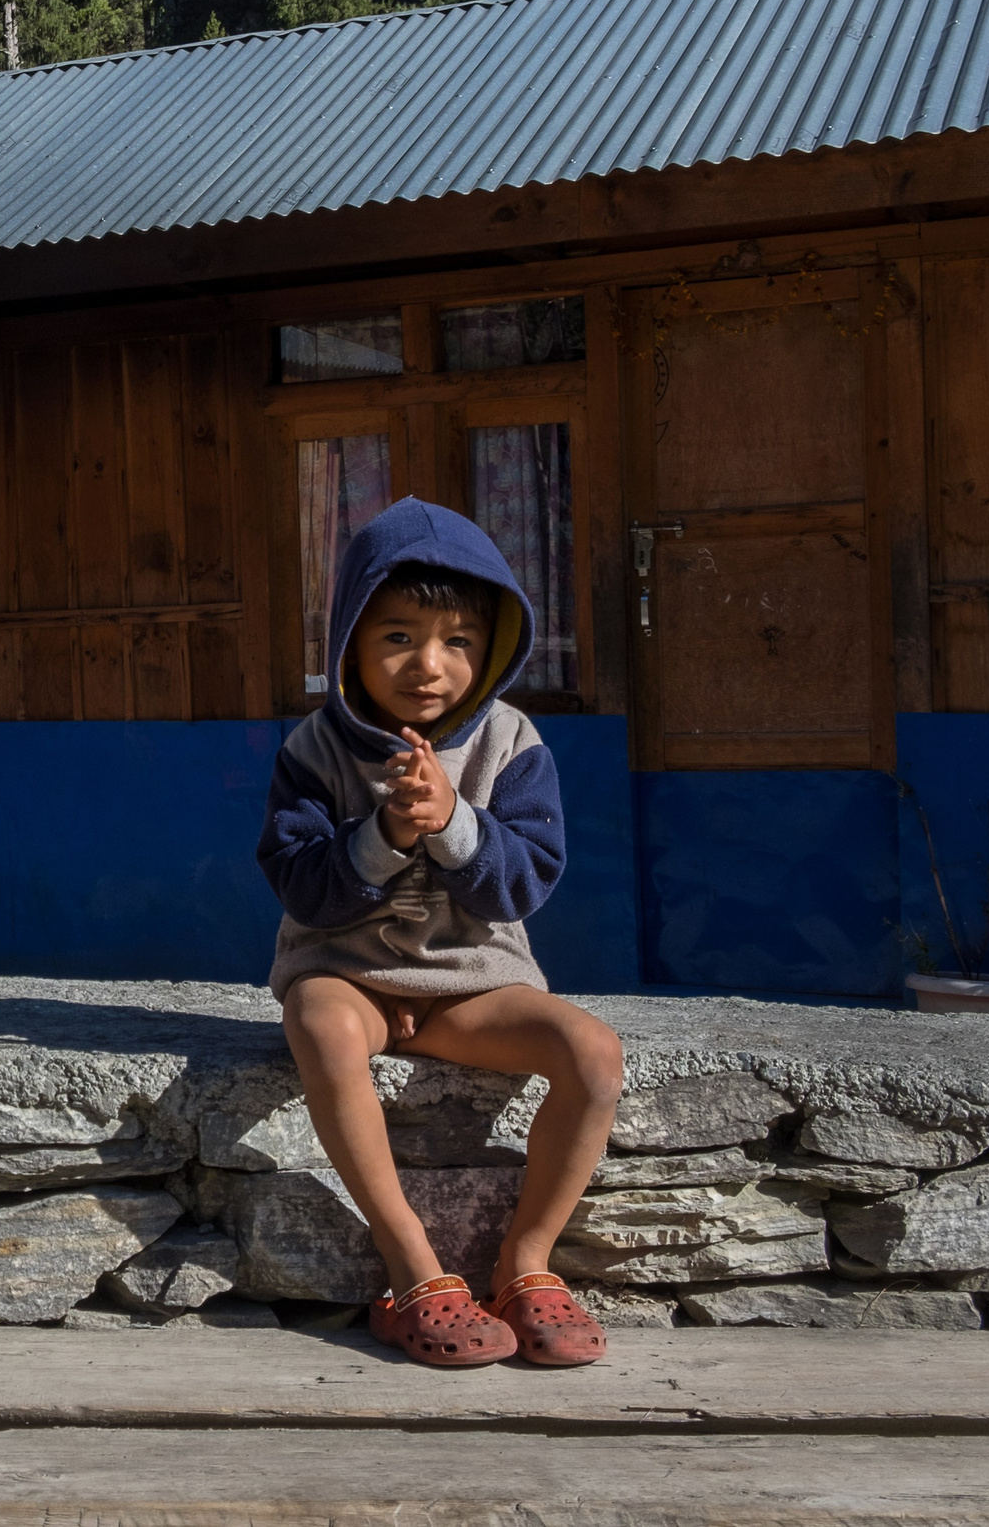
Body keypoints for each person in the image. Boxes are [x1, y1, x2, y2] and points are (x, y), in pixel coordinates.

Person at [256, 498, 625, 1369]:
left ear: (491, 647)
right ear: (349, 641)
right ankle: (412, 1263)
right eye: (398, 637)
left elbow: (526, 878)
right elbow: (301, 884)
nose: (429, 664)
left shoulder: (512, 741)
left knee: (594, 1053)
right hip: (352, 976)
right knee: (317, 1019)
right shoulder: (314, 749)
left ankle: (525, 1262)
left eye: (458, 640)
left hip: (471, 989)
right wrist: (385, 835)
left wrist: (455, 820)